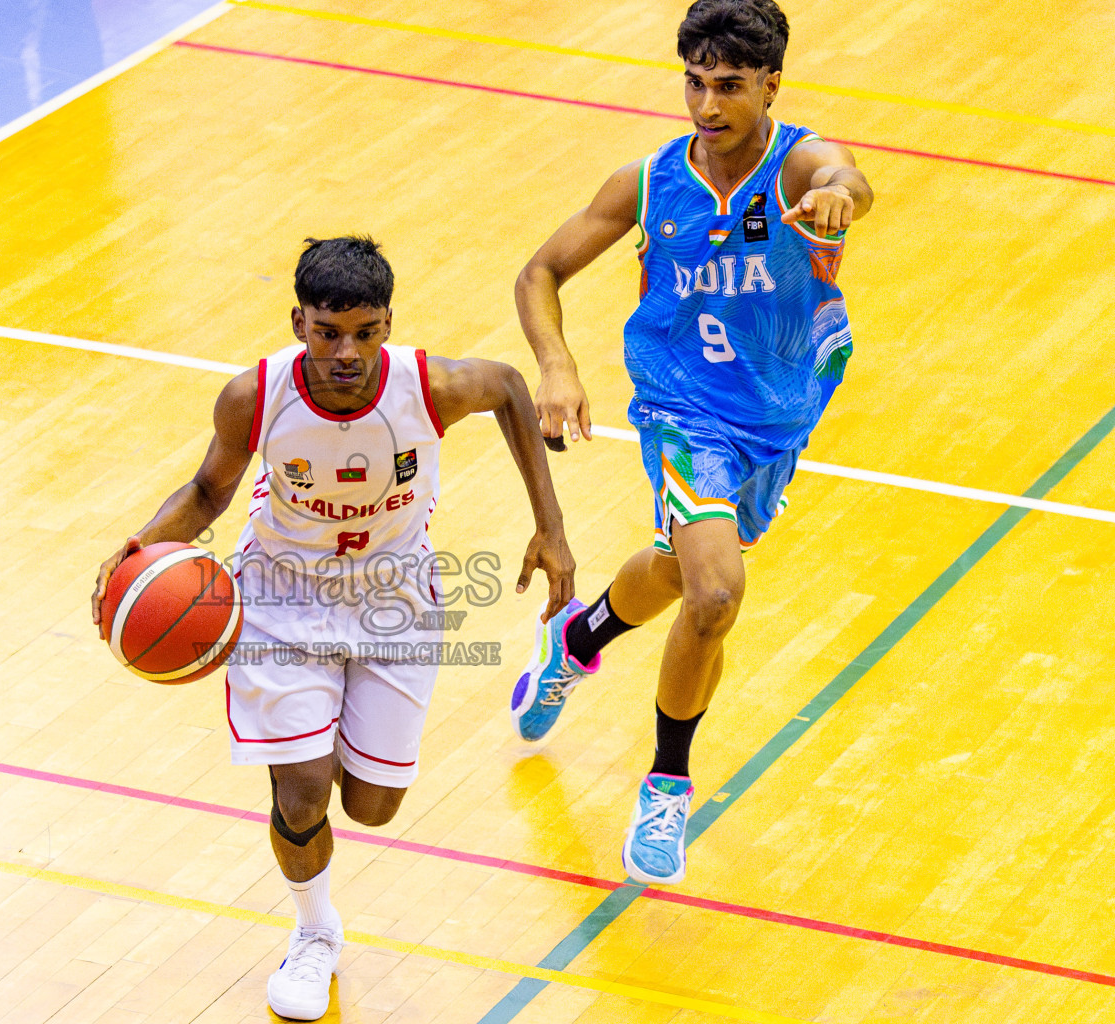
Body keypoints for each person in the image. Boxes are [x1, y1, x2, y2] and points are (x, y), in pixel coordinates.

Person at [93, 236, 574, 1020]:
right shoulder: (254, 396)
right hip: (281, 596)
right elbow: (210, 490)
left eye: (365, 330)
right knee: (305, 787)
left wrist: (550, 530)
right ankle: (314, 931)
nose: (346, 351)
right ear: (298, 323)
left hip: (395, 599)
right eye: (327, 332)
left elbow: (514, 388)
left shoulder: (433, 386)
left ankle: (327, 800)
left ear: (388, 324)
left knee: (373, 805)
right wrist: (140, 550)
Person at [508, 0, 874, 886]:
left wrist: (838, 197)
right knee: (714, 595)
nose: (708, 106)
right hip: (682, 410)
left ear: (772, 85)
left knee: (680, 570)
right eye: (696, 83)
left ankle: (577, 638)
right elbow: (540, 272)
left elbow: (848, 179)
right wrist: (557, 367)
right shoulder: (648, 182)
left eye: (730, 87)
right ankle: (667, 784)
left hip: (778, 414)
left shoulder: (799, 169)